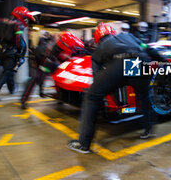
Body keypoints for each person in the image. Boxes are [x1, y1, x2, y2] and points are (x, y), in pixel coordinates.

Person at [67, 22, 164, 154]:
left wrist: (106, 87)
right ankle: (148, 130)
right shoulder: (129, 36)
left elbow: (97, 75)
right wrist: (165, 62)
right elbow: (147, 48)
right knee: (144, 96)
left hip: (118, 63)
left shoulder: (100, 49)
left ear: (97, 39)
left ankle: (84, 143)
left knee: (92, 96)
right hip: (139, 62)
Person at [20, 31, 85, 109]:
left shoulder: (65, 47)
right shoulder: (50, 49)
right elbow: (47, 65)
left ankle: (61, 95)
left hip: (48, 62)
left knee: (58, 74)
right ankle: (24, 101)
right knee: (35, 77)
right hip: (36, 61)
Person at [0, 6, 36, 102]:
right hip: (11, 53)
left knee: (9, 71)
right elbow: (18, 41)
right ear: (21, 16)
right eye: (25, 17)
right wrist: (20, 51)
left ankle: (12, 89)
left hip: (1, 51)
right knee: (6, 73)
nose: (26, 20)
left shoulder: (2, 21)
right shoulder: (18, 25)